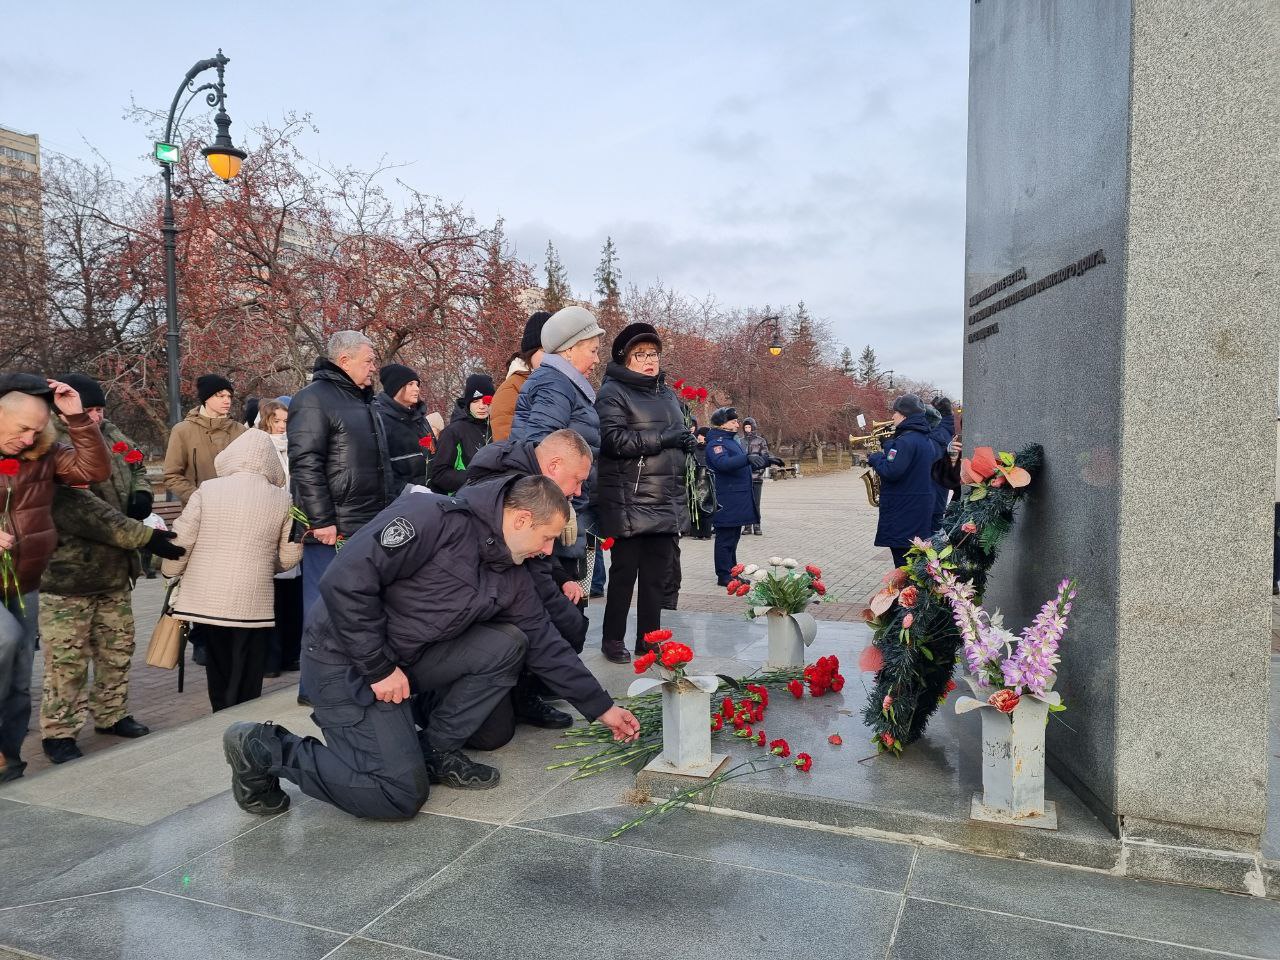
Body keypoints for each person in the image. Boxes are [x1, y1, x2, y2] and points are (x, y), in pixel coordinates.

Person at [220, 475, 641, 820]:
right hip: (344, 660)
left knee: (509, 643)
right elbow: (344, 582)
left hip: (405, 660)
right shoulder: (429, 518)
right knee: (397, 794)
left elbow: (545, 643)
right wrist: (378, 669)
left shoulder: (511, 569)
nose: (548, 552)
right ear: (521, 519)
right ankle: (263, 747)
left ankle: (435, 747)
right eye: (547, 538)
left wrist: (601, 708)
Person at [37, 374, 183, 763]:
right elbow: (86, 514)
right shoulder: (55, 449)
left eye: (101, 409)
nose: (98, 416)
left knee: (117, 649)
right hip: (71, 575)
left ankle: (112, 713)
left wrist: (140, 494)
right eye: (90, 410)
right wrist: (141, 536)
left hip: (116, 571)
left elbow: (135, 463)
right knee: (67, 661)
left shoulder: (112, 434)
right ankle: (59, 731)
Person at [0, 374, 110, 782]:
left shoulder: (43, 452)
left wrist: (77, 418)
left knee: (16, 678)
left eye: (36, 429)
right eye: (21, 429)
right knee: (5, 639)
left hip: (22, 580)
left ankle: (8, 759)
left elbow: (94, 470)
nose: (29, 439)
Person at [462, 429, 594, 741]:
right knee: (565, 625)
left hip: (515, 584)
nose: (577, 491)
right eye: (576, 480)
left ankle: (527, 689)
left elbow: (540, 553)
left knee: (569, 616)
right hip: (496, 595)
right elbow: (527, 568)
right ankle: (521, 692)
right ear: (554, 466)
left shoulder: (526, 474)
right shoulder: (513, 483)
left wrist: (562, 579)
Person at [162, 430, 303, 712]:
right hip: (255, 599)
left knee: (218, 661)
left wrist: (170, 572)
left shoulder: (208, 490)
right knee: (249, 662)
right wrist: (266, 564)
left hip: (208, 599)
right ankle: (245, 714)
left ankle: (220, 712)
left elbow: (182, 539)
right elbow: (290, 556)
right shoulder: (283, 501)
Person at [595, 323, 695, 663]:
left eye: (653, 353)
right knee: (624, 576)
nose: (649, 360)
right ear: (625, 359)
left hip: (666, 497)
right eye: (640, 355)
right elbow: (612, 441)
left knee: (657, 578)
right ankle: (612, 640)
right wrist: (662, 440)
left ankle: (649, 640)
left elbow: (675, 433)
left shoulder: (666, 393)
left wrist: (686, 443)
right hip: (631, 499)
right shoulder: (613, 392)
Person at [287, 331, 394, 629]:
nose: (374, 368)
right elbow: (306, 463)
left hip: (366, 523)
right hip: (332, 530)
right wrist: (321, 521)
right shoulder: (312, 400)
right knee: (324, 613)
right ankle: (319, 676)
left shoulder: (366, 402)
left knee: (357, 611)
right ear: (344, 361)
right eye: (369, 361)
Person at [511, 306, 607, 604]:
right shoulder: (555, 384)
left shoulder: (565, 385)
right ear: (569, 350)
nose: (596, 358)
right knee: (559, 605)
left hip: (567, 506)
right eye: (592, 350)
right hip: (555, 514)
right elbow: (541, 448)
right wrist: (556, 507)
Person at [256, 398, 303, 678]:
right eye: (277, 421)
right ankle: (270, 658)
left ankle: (290, 653)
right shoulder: (260, 448)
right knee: (270, 595)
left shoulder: (295, 448)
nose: (282, 426)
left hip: (293, 523)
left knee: (291, 594)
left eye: (286, 421)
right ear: (266, 421)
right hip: (268, 524)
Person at [868, 394, 938, 568]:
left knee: (903, 567)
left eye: (896, 413)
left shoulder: (905, 441)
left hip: (902, 514)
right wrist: (889, 445)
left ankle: (904, 595)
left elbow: (891, 471)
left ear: (905, 415)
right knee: (915, 565)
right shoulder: (924, 440)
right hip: (916, 511)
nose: (892, 417)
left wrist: (876, 458)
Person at [162, 374, 247, 505]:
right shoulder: (183, 431)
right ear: (206, 398)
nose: (227, 400)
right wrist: (198, 498)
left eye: (229, 396)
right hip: (199, 511)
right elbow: (171, 475)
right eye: (221, 396)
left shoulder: (241, 431)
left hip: (237, 507)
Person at [704, 407, 762, 586]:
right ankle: (724, 575)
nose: (738, 424)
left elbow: (740, 464)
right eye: (733, 421)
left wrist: (765, 461)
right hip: (726, 498)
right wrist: (747, 459)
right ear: (723, 424)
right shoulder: (716, 443)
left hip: (736, 498)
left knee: (733, 536)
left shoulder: (731, 441)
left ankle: (732, 571)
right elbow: (723, 464)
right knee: (725, 538)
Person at [426, 374, 494, 495]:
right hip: (464, 500)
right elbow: (439, 475)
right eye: (475, 401)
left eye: (486, 400)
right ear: (468, 403)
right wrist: (475, 478)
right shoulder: (453, 432)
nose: (482, 406)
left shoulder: (498, 427)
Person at [373, 364, 436, 493]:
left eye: (417, 385)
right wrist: (408, 490)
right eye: (410, 384)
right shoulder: (381, 420)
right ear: (395, 387)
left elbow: (434, 455)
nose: (416, 389)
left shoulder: (421, 419)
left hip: (430, 497)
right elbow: (379, 471)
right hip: (401, 502)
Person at [490, 311, 550, 442]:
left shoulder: (559, 383)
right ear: (531, 351)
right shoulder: (511, 389)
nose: (551, 358)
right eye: (545, 351)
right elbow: (506, 443)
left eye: (555, 352)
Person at [741, 417, 774, 536]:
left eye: (749, 427)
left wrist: (759, 471)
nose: (747, 429)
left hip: (756, 477)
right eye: (745, 427)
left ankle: (757, 525)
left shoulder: (760, 441)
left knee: (756, 503)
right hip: (744, 477)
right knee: (746, 502)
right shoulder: (741, 441)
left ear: (753, 427)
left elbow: (765, 458)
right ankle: (747, 526)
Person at [929, 397, 958, 530]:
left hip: (933, 493)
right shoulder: (947, 430)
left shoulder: (936, 433)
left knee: (932, 535)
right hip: (939, 492)